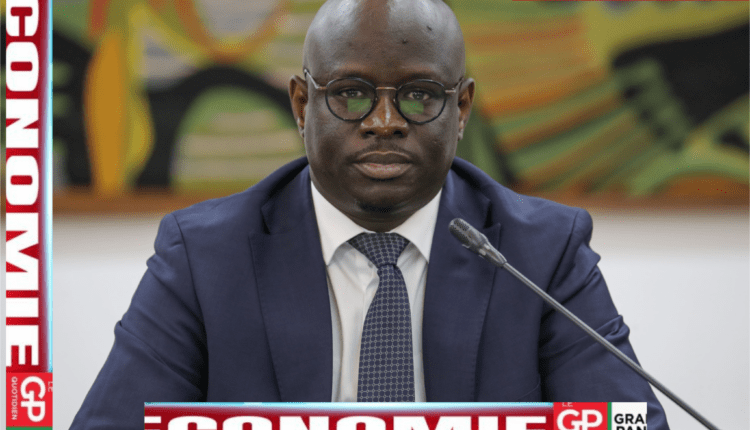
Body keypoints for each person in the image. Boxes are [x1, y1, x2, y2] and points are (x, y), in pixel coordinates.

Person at [71, 0, 670, 428]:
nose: (385, 122)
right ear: (302, 104)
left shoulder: (540, 251)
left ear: (461, 109)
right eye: (351, 93)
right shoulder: (205, 257)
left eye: (420, 96)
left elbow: (627, 421)